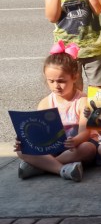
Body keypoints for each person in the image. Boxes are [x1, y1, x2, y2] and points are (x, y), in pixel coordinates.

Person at [15, 47, 93, 182]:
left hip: (74, 148)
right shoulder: (45, 102)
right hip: (52, 148)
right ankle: (62, 169)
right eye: (51, 81)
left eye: (61, 81)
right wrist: (24, 140)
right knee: (21, 150)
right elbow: (38, 134)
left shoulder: (82, 101)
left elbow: (85, 133)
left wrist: (75, 141)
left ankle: (41, 166)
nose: (56, 85)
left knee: (88, 148)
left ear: (74, 77)